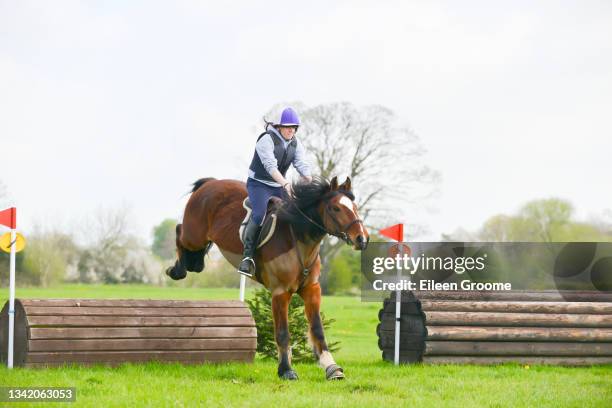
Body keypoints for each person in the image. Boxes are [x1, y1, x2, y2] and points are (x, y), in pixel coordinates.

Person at [238, 107, 312, 277]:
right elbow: (270, 166)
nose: (291, 130)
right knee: (259, 214)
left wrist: (310, 179)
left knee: (297, 211)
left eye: (294, 127)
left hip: (278, 185)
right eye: (287, 127)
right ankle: (247, 257)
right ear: (279, 126)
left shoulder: (296, 143)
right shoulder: (266, 140)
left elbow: (301, 164)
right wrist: (285, 183)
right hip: (259, 184)